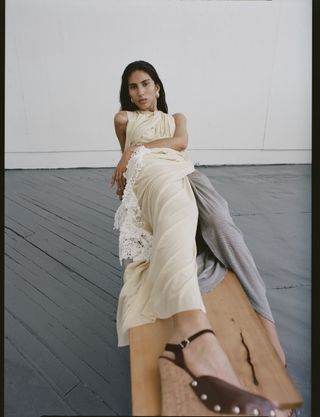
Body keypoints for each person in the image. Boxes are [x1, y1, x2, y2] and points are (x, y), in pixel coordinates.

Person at [111, 60, 297, 417]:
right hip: (152, 177)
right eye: (133, 87)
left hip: (186, 172)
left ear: (158, 87)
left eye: (146, 84)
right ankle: (194, 338)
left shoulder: (176, 116)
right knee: (174, 222)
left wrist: (138, 149)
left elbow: (180, 143)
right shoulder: (123, 119)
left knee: (222, 225)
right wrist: (130, 159)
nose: (140, 93)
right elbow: (124, 154)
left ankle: (268, 326)